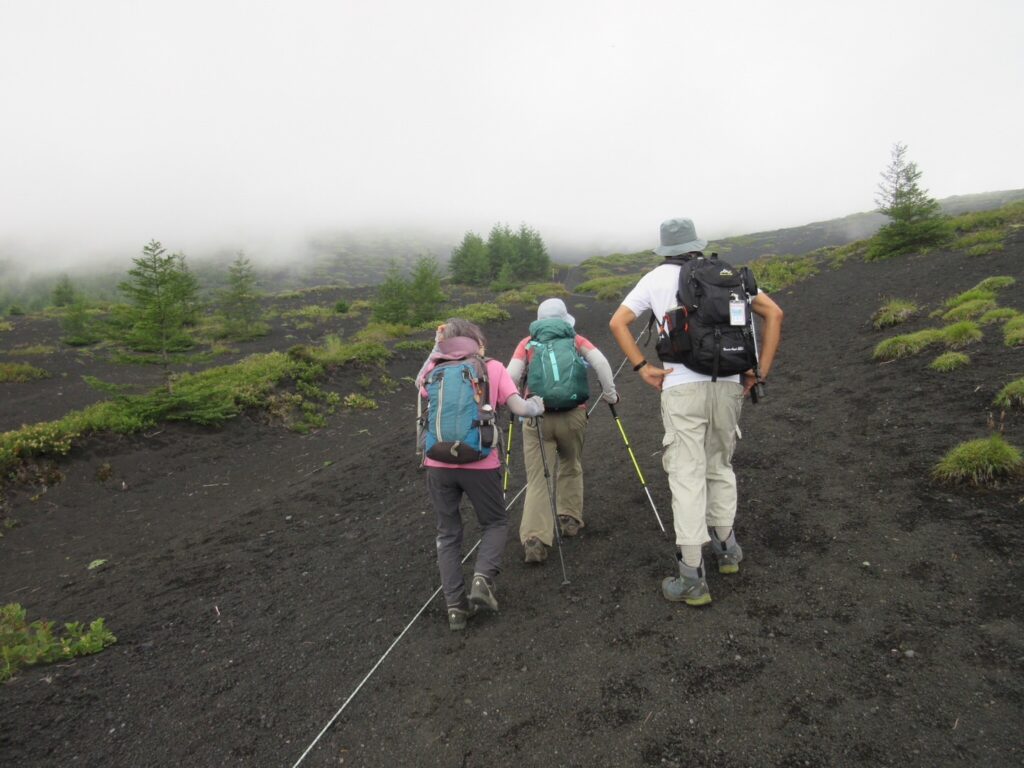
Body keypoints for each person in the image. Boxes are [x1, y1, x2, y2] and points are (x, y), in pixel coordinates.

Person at [608, 218, 783, 606]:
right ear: (697, 245)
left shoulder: (655, 279)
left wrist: (641, 367)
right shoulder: (726, 275)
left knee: (687, 473)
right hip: (730, 383)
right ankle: (727, 549)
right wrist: (759, 372)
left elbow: (618, 322)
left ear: (665, 249)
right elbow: (774, 313)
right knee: (719, 465)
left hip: (681, 385)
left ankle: (691, 575)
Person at [416, 319, 545, 631]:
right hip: (480, 461)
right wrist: (536, 406)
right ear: (476, 342)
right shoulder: (492, 368)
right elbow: (519, 408)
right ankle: (482, 579)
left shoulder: (433, 370)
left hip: (437, 462)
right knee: (495, 523)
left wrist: (436, 345)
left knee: (447, 534)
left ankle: (455, 609)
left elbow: (419, 382)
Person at [507, 298, 619, 563]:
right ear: (565, 319)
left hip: (537, 418)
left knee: (538, 478)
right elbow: (602, 363)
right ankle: (569, 519)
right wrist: (610, 395)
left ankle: (535, 538)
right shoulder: (575, 340)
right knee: (570, 464)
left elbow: (510, 376)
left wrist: (517, 403)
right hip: (573, 415)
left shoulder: (527, 343)